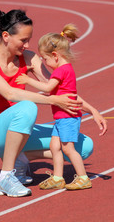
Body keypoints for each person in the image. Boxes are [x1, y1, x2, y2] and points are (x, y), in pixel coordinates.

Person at [0, 9, 107, 197]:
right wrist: (53, 100)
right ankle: (5, 177)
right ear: (6, 36)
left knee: (84, 147)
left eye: (29, 39)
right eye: (23, 40)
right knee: (27, 107)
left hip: (18, 130)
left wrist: (92, 110)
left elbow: (60, 90)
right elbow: (9, 93)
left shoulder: (28, 57)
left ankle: (18, 158)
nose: (28, 44)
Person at [16, 24, 107, 190]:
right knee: (54, 146)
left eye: (45, 59)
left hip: (67, 117)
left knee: (68, 148)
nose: (45, 62)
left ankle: (83, 177)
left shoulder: (60, 71)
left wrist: (28, 80)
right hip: (61, 117)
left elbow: (48, 88)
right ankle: (58, 177)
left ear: (55, 56)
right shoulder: (67, 69)